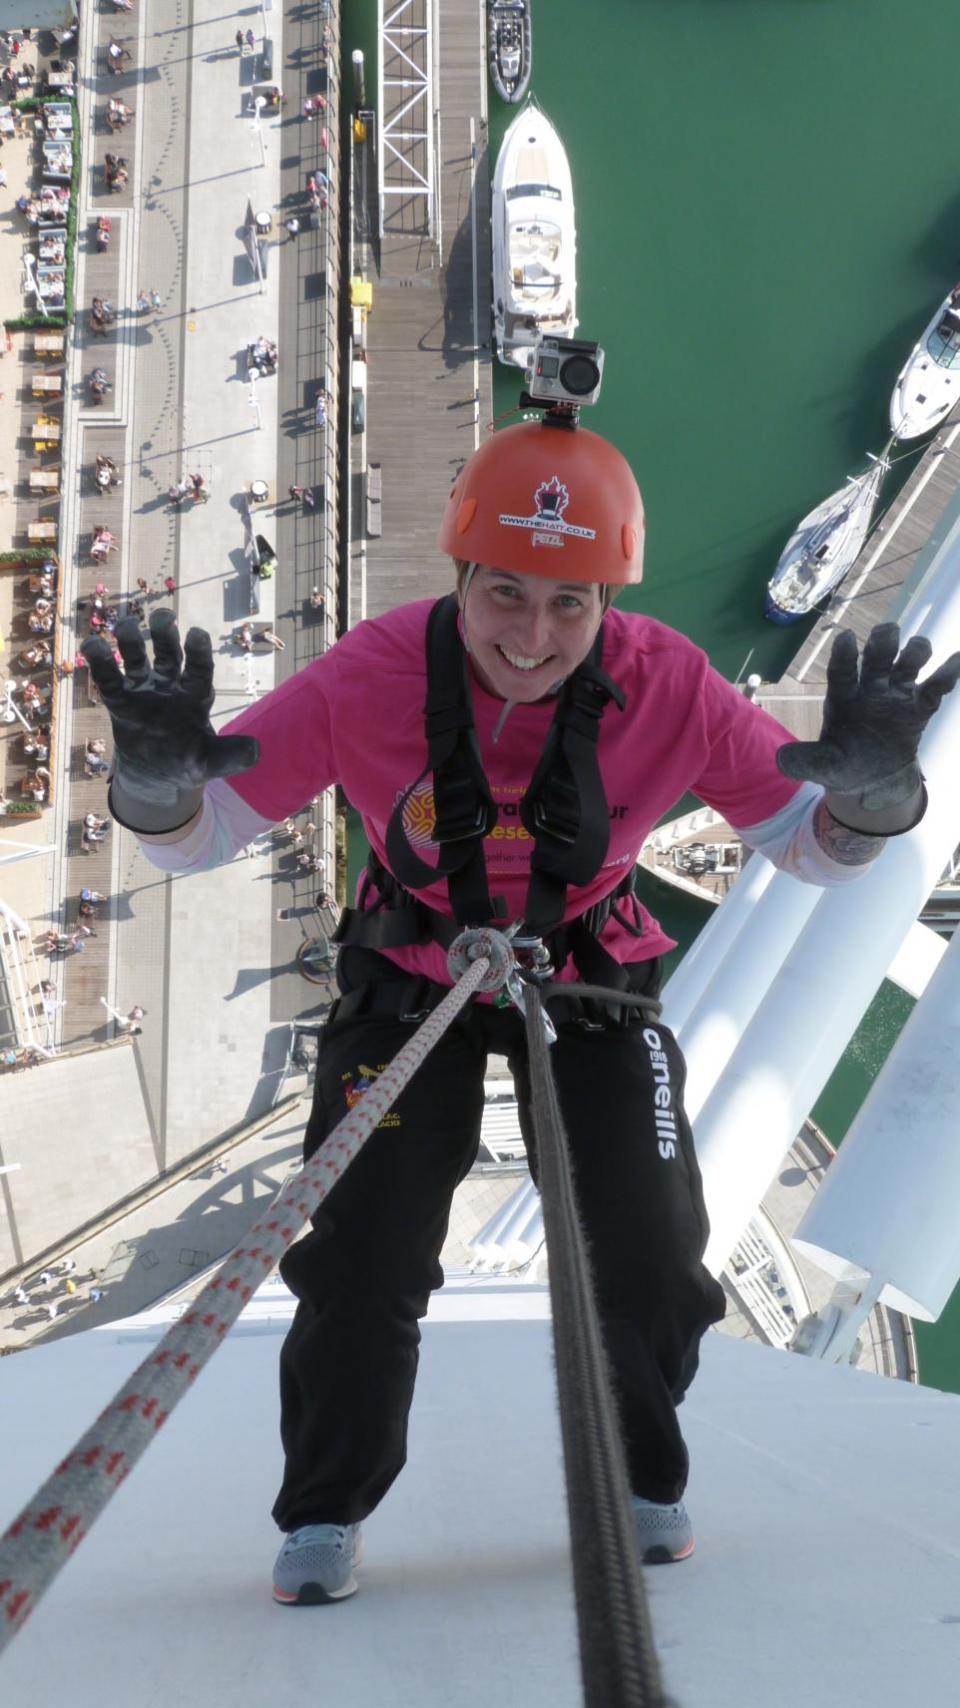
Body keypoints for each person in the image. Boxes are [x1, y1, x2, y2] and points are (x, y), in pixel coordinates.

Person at [80, 414, 960, 1606]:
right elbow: (206, 831)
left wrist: (869, 802)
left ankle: (644, 1478)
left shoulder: (669, 685)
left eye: (568, 604)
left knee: (647, 1249)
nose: (532, 636)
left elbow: (806, 849)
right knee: (364, 1255)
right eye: (506, 594)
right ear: (459, 584)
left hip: (586, 968)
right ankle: (326, 1509)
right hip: (413, 970)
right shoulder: (371, 674)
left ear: (608, 606)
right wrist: (152, 784)